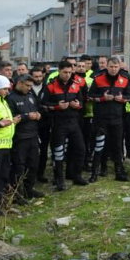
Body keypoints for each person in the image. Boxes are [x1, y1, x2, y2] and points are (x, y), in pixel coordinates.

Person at [42, 61, 89, 190]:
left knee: (80, 149)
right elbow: (43, 104)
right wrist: (57, 107)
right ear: (59, 71)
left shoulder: (76, 85)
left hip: (74, 122)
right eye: (65, 72)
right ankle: (59, 180)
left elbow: (81, 103)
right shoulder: (51, 86)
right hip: (58, 123)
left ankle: (76, 175)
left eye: (70, 72)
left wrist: (77, 105)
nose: (68, 75)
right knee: (58, 153)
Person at [88, 57, 130, 182]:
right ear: (107, 66)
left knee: (117, 146)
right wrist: (103, 98)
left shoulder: (124, 80)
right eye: (111, 66)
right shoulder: (98, 79)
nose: (113, 69)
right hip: (101, 119)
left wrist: (122, 99)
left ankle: (119, 172)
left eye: (116, 67)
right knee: (99, 146)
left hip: (117, 119)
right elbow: (90, 96)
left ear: (119, 67)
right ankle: (95, 172)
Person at [7, 74, 45, 199]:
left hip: (33, 135)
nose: (29, 88)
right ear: (19, 83)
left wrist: (38, 115)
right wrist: (26, 116)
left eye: (31, 86)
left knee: (33, 164)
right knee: (19, 166)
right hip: (20, 137)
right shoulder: (10, 98)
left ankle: (29, 189)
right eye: (27, 85)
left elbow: (36, 109)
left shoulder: (30, 96)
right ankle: (16, 193)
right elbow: (11, 118)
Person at [0, 75, 20, 215]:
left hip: (6, 144)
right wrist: (0, 123)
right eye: (5, 89)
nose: (8, 91)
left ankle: (0, 203)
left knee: (3, 176)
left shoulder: (3, 101)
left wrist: (12, 121)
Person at [29, 67, 51, 183]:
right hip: (30, 124)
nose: (38, 79)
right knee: (32, 151)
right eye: (35, 76)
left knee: (43, 149)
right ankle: (30, 174)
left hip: (44, 123)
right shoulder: (27, 89)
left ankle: (40, 173)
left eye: (40, 76)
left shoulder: (47, 88)